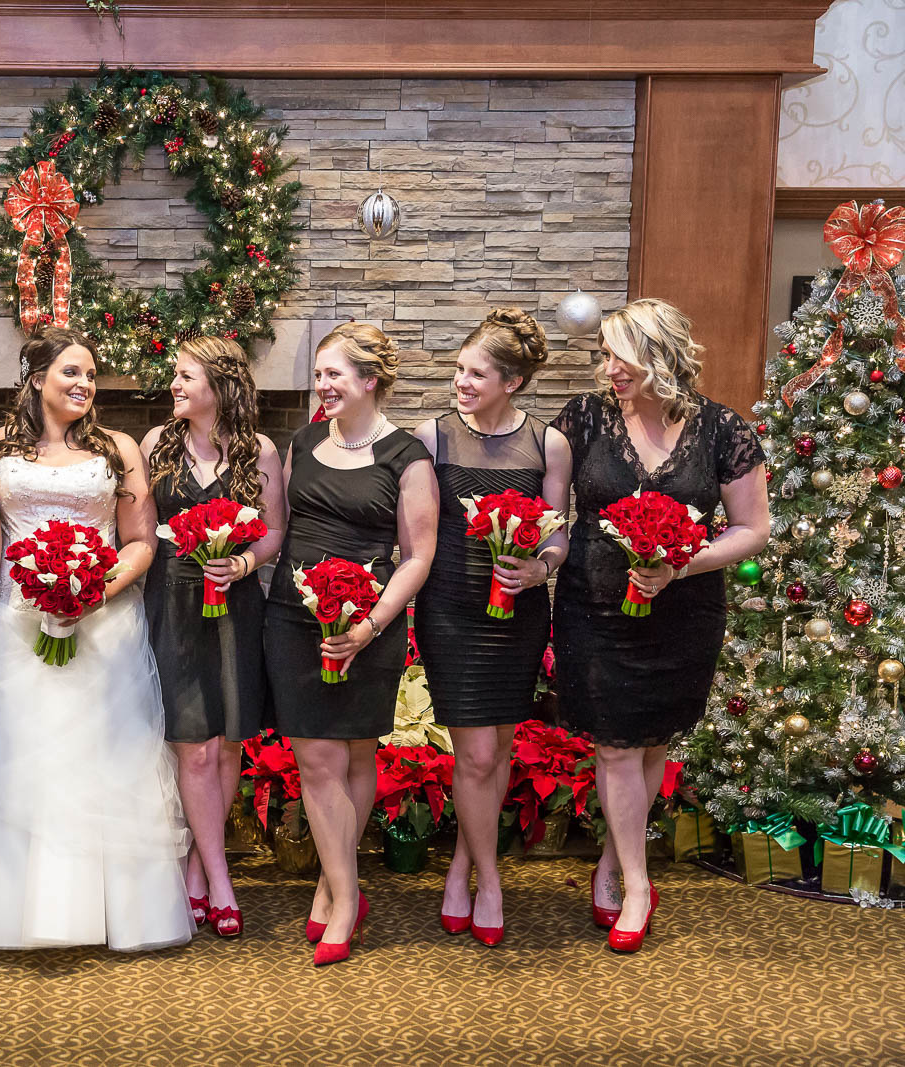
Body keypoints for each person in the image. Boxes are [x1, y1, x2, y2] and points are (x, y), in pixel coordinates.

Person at [0, 327, 193, 952]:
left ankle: (115, 910)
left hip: (103, 625)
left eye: (91, 376)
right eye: (71, 372)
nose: (84, 385)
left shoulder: (118, 448)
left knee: (105, 761)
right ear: (38, 376)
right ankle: (3, 909)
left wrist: (89, 592)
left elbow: (140, 541)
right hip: (16, 621)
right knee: (17, 758)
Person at [551, 298, 768, 952]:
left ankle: (614, 863)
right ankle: (639, 885)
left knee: (649, 745)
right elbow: (552, 510)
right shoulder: (582, 420)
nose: (610, 367)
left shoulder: (723, 430)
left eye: (623, 354)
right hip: (594, 608)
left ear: (660, 354)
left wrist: (680, 562)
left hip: (683, 613)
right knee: (615, 744)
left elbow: (754, 529)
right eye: (606, 354)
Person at [263, 321, 438, 966]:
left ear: (370, 381)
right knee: (316, 758)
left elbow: (419, 555)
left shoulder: (407, 457)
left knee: (358, 755)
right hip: (293, 616)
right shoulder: (302, 442)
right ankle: (345, 893)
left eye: (334, 374)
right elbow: (278, 528)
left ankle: (332, 887)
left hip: (372, 619)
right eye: (319, 373)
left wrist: (369, 626)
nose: (322, 384)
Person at [413, 309, 571, 947]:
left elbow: (559, 534)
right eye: (459, 370)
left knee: (498, 749)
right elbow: (419, 534)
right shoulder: (434, 438)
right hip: (451, 609)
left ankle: (460, 865)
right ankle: (489, 877)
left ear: (513, 381)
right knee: (477, 752)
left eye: (476, 373)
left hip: (520, 613)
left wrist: (540, 567)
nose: (462, 382)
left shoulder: (547, 445)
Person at [139, 337, 285, 939]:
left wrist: (243, 565)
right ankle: (221, 878)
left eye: (184, 376)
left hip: (237, 604)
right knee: (193, 744)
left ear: (219, 386)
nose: (174, 385)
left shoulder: (261, 450)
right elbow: (143, 532)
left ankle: (199, 864)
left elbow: (273, 531)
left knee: (228, 744)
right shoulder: (156, 446)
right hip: (171, 601)